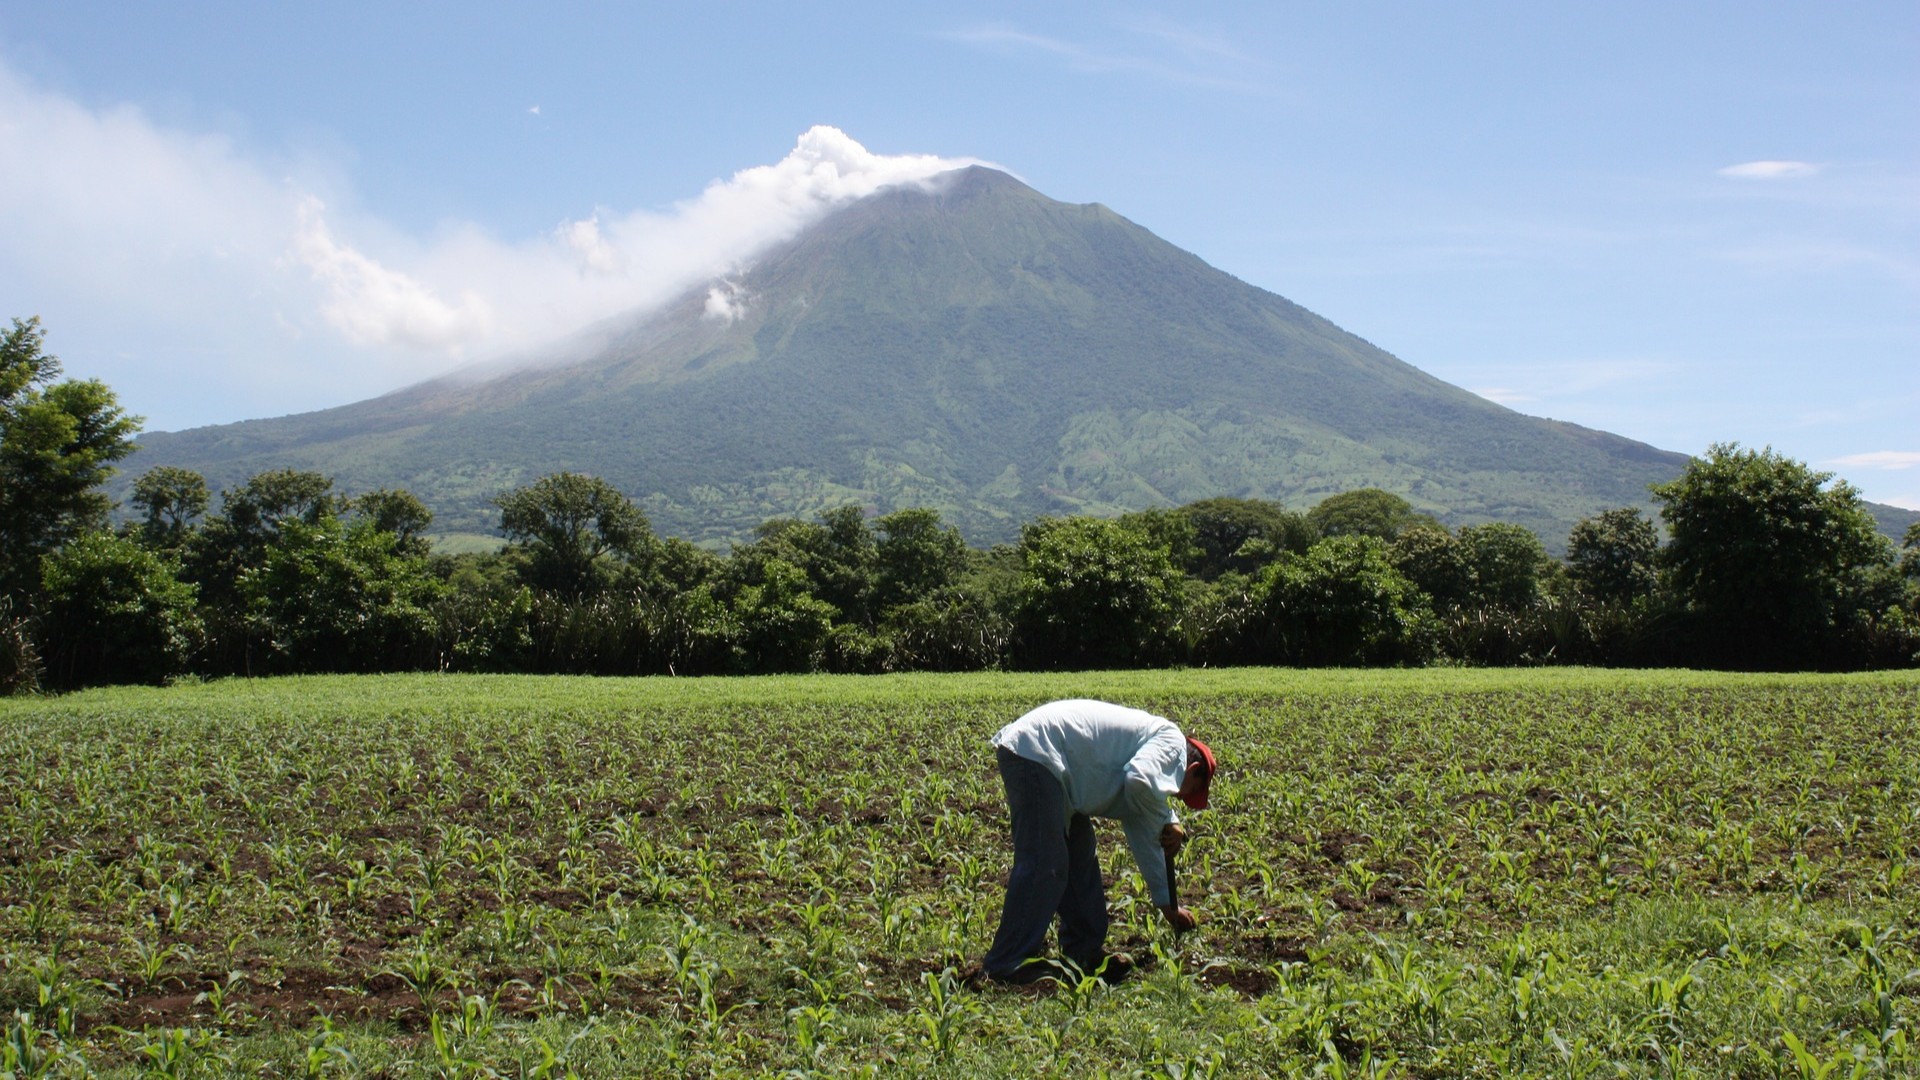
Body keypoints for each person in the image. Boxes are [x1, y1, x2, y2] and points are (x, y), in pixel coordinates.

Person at [980, 698, 1215, 985]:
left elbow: (1143, 825)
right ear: (1191, 770)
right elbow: (1140, 780)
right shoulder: (1171, 742)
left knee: (1080, 858)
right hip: (1038, 752)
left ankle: (1083, 951)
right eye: (1185, 792)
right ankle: (1007, 962)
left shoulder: (1156, 750)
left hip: (1060, 768)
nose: (1176, 796)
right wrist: (1168, 817)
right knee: (1046, 863)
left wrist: (1167, 903)